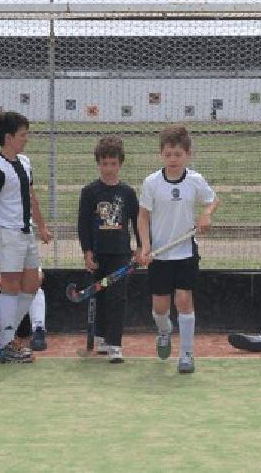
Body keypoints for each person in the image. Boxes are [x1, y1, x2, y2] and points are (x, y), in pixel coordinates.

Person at [0, 112, 53, 363]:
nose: (26, 139)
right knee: (11, 287)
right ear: (8, 138)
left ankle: (6, 336)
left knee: (32, 282)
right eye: (23, 135)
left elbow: (31, 196)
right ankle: (7, 344)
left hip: (26, 233)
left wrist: (42, 226)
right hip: (6, 234)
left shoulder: (25, 162)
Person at [135, 124, 220, 374]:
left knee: (183, 300)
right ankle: (164, 331)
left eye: (178, 154)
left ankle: (186, 354)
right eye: (168, 154)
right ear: (161, 154)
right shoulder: (152, 183)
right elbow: (142, 217)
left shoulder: (195, 180)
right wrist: (146, 246)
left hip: (185, 252)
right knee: (160, 308)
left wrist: (206, 215)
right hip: (160, 255)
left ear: (188, 154)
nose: (173, 159)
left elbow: (213, 200)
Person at [77, 136, 141, 363]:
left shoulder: (127, 193)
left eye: (113, 164)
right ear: (98, 164)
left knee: (117, 298)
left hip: (121, 255)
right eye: (104, 164)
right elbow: (83, 224)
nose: (109, 169)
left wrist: (141, 247)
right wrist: (87, 251)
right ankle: (103, 337)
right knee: (101, 296)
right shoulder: (90, 192)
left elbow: (137, 221)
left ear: (120, 163)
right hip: (98, 255)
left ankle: (115, 345)